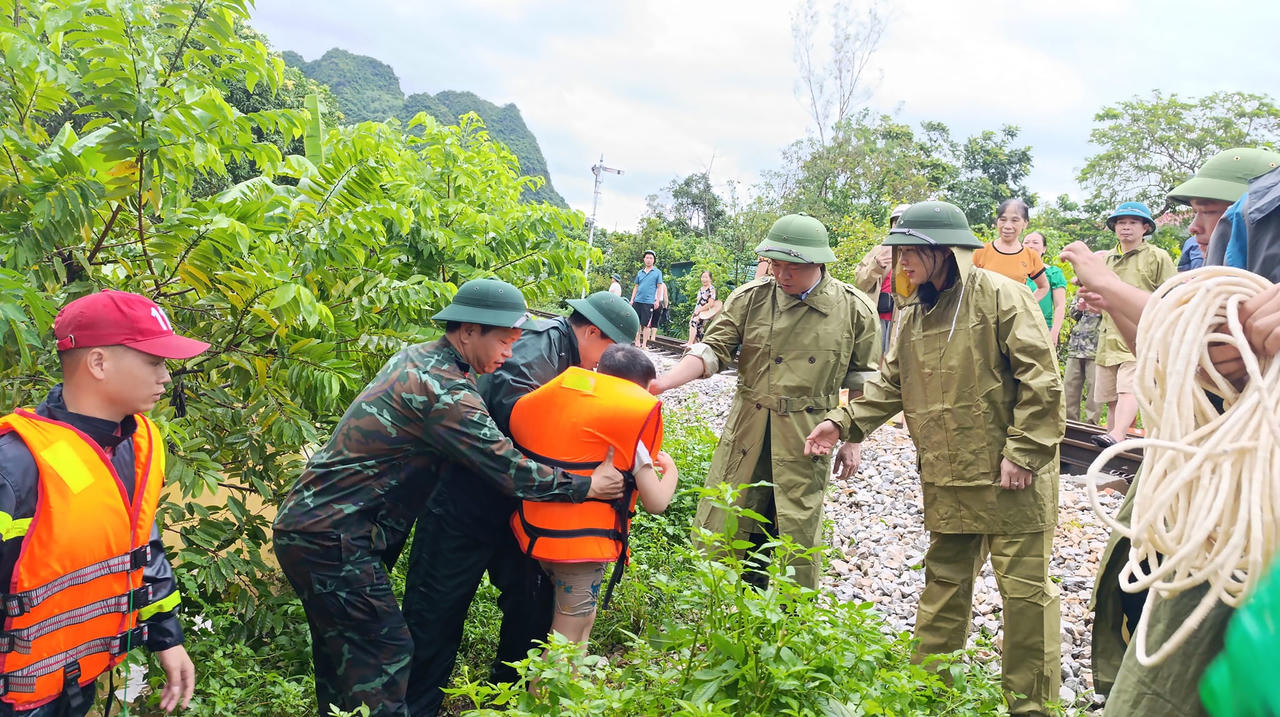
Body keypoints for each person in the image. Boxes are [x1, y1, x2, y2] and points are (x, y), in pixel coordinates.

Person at [272, 280, 625, 717]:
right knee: (387, 653)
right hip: (335, 538)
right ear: (469, 331)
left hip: (316, 528)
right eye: (504, 341)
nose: (510, 353)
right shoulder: (445, 391)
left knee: (343, 660)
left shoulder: (419, 358)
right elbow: (507, 467)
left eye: (516, 342)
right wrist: (587, 486)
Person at [804, 201, 1065, 716]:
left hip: (1012, 474)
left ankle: (1032, 708)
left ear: (945, 252)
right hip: (950, 473)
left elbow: (1042, 380)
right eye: (898, 252)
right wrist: (842, 423)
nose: (900, 262)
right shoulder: (915, 313)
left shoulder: (1002, 296)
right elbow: (891, 384)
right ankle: (927, 697)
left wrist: (1024, 453)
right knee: (944, 584)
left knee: (1025, 595)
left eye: (910, 252)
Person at [1061, 147, 1280, 716]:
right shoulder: (1207, 287)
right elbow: (1172, 358)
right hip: (1186, 504)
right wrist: (1115, 302)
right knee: (1145, 612)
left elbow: (1210, 351)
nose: (1200, 226)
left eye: (1213, 212)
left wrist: (1108, 285)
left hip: (1232, 524)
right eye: (1198, 212)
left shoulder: (1257, 306)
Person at [402, 290, 639, 716]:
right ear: (591, 332)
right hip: (466, 501)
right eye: (610, 351)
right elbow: (514, 430)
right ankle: (416, 708)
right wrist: (583, 483)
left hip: (519, 507)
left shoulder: (566, 357)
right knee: (434, 616)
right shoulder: (537, 349)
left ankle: (507, 703)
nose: (606, 367)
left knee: (530, 613)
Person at [650, 213, 879, 589]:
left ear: (818, 262)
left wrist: (853, 439)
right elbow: (712, 350)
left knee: (795, 526)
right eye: (775, 264)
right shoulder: (751, 299)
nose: (781, 274)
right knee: (731, 514)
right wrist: (664, 382)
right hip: (750, 425)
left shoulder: (853, 309)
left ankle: (790, 614)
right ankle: (726, 601)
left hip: (810, 432)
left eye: (792, 267)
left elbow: (863, 382)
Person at [0, 289, 199, 716]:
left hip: (78, 686)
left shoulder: (137, 446)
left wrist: (167, 637)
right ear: (98, 363)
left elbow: (140, 548)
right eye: (154, 362)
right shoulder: (15, 465)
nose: (166, 377)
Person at [507, 345, 679, 647]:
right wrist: (671, 471)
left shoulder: (562, 405)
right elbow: (656, 502)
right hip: (580, 550)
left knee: (575, 626)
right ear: (641, 390)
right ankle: (551, 681)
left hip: (535, 532)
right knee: (567, 640)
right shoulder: (628, 428)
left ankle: (567, 676)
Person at [1090, 201, 1175, 448]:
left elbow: (1172, 294)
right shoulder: (1106, 259)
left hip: (1141, 335)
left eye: (1133, 222)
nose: (1126, 227)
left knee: (1130, 387)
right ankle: (1112, 446)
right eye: (1121, 223)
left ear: (1145, 227)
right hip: (1108, 338)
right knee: (1112, 397)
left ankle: (1118, 434)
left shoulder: (1158, 257)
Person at [854, 203, 911, 356]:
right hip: (876, 316)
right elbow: (860, 282)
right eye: (895, 221)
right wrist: (876, 265)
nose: (898, 225)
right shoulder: (880, 250)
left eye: (903, 221)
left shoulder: (919, 252)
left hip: (903, 318)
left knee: (895, 358)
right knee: (872, 357)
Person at [973, 198, 1051, 302]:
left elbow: (1044, 287)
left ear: (1025, 223)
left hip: (1014, 312)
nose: (1007, 226)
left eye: (1015, 220)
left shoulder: (1030, 255)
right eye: (1003, 219)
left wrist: (1026, 305)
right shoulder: (981, 250)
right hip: (983, 311)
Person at [1021, 232, 1068, 346]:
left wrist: (1054, 332)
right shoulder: (1014, 272)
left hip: (1043, 328)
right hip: (1017, 326)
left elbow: (1060, 305)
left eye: (1035, 242)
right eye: (1026, 242)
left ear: (1044, 249)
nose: (1030, 245)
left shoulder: (1053, 273)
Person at [1063, 296, 1103, 424]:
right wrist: (1079, 308)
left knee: (1095, 391)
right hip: (1076, 348)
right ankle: (1070, 425)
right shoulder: (1083, 290)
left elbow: (1115, 315)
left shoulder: (1108, 291)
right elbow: (1073, 313)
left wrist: (1098, 307)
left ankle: (1092, 426)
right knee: (1069, 389)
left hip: (1096, 349)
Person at [630, 250, 665, 349]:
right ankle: (637, 340)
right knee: (637, 323)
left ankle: (644, 344)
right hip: (638, 300)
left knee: (646, 324)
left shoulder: (657, 272)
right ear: (644, 259)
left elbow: (659, 287)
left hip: (649, 301)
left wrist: (657, 301)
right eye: (647, 258)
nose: (649, 260)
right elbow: (636, 286)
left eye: (651, 258)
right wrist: (632, 299)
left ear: (654, 260)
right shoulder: (640, 272)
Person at [685, 270, 720, 347]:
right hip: (697, 311)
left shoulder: (711, 289)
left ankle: (690, 343)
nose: (704, 279)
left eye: (706, 277)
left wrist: (699, 311)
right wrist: (696, 311)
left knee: (694, 323)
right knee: (697, 329)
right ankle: (696, 346)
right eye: (702, 277)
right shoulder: (701, 289)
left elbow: (711, 303)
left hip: (705, 313)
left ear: (710, 279)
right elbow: (698, 303)